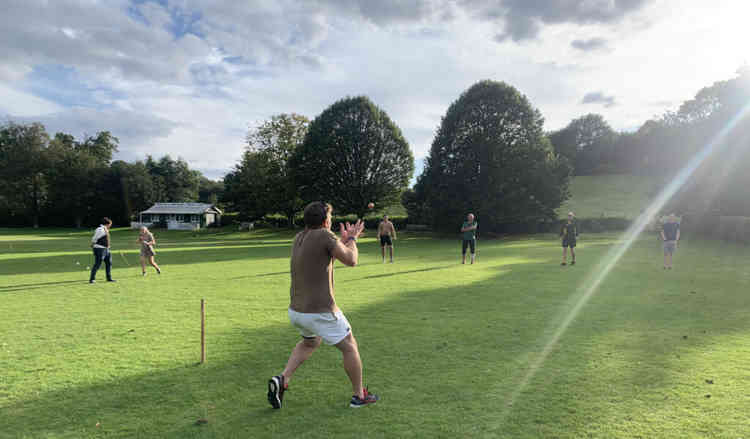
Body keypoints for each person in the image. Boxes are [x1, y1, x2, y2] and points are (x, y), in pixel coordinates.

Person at [268, 201, 379, 409]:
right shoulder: (325, 236)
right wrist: (353, 239)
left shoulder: (299, 238)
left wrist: (343, 242)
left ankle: (283, 379)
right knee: (350, 345)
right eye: (330, 217)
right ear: (326, 220)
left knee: (310, 343)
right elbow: (351, 260)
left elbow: (324, 260)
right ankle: (359, 396)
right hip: (320, 311)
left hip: (297, 311)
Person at [89, 217, 115, 283]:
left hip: (106, 249)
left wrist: (108, 246)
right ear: (107, 224)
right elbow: (94, 238)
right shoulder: (100, 229)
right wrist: (92, 244)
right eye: (110, 224)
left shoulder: (106, 229)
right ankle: (92, 279)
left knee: (109, 263)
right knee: (98, 264)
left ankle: (109, 278)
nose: (110, 225)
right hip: (99, 249)